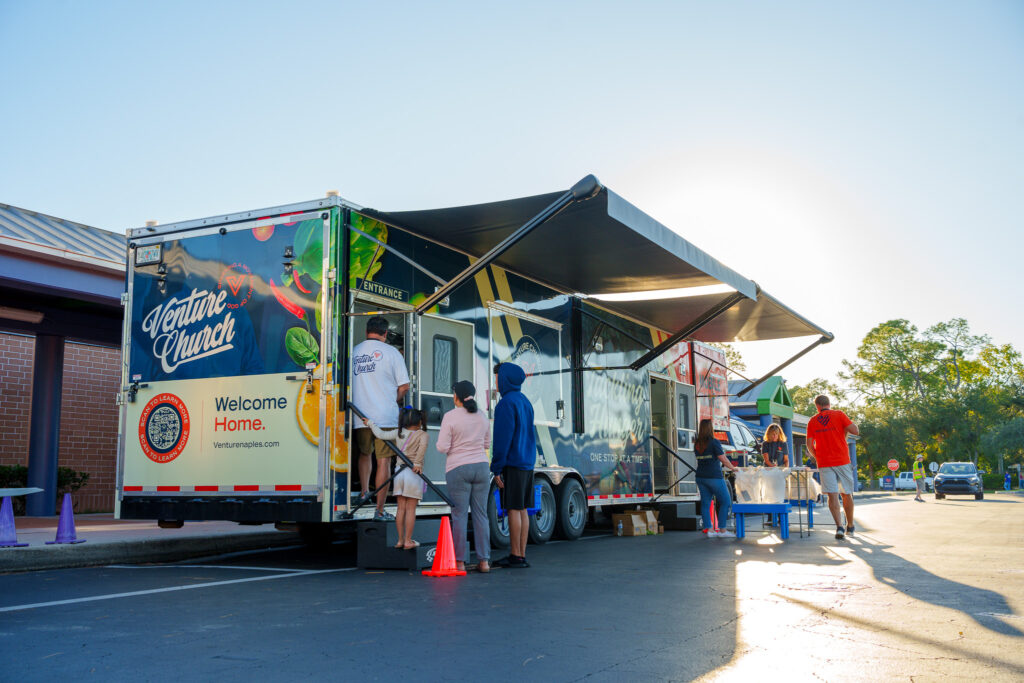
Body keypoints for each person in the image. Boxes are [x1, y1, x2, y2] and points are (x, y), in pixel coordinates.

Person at [351, 316, 410, 521]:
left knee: (364, 454)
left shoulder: (354, 351)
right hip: (385, 417)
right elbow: (404, 386)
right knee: (383, 462)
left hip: (360, 415)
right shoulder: (392, 353)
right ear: (385, 334)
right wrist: (392, 399)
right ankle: (380, 510)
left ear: (367, 331)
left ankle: (364, 492)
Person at [437, 381, 492, 573]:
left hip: (458, 468)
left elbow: (442, 447)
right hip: (482, 468)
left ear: (456, 397)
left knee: (459, 515)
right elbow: (486, 444)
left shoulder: (450, 416)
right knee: (481, 514)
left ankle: (460, 562)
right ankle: (484, 561)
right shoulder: (482, 417)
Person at [490, 363, 536, 568]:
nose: (496, 381)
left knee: (512, 509)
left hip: (512, 463)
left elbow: (502, 438)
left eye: (498, 377)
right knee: (523, 509)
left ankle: (516, 555)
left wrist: (496, 467)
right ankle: (521, 554)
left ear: (506, 379)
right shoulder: (525, 402)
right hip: (527, 463)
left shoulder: (506, 403)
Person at [363, 409, 427, 548]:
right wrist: (417, 463)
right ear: (420, 421)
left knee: (401, 508)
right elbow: (421, 450)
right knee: (411, 509)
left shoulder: (398, 432)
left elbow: (380, 434)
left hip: (399, 472)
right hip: (413, 473)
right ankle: (408, 541)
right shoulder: (422, 435)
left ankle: (400, 540)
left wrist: (370, 423)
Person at [805, 395, 860, 539]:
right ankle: (850, 526)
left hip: (825, 463)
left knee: (832, 495)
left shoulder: (812, 421)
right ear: (829, 403)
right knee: (846, 493)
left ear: (817, 406)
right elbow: (855, 431)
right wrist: (846, 427)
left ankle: (839, 527)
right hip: (842, 460)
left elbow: (809, 445)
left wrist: (818, 457)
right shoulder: (839, 414)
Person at [694, 418, 738, 538]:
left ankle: (709, 530)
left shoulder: (697, 444)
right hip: (714, 477)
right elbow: (723, 458)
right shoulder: (714, 442)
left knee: (705, 503)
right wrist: (733, 468)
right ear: (710, 429)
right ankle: (722, 530)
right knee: (726, 501)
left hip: (701, 477)